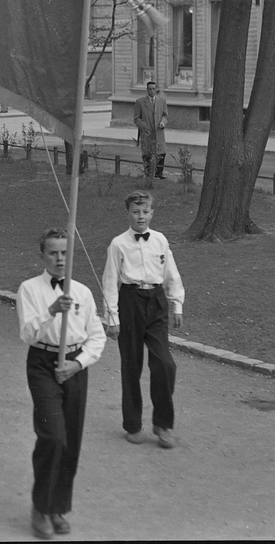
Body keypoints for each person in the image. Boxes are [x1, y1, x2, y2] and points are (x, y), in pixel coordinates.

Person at [17, 229, 106, 539]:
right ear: (43, 255)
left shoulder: (82, 292)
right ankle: (40, 507)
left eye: (65, 253)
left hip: (75, 365)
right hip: (42, 363)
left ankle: (57, 506)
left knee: (71, 440)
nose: (59, 259)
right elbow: (27, 334)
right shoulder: (29, 289)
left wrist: (77, 363)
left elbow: (97, 336)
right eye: (53, 253)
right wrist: (52, 311)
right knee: (53, 436)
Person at [102, 190, 184, 449]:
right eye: (136, 212)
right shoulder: (118, 244)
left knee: (165, 364)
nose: (141, 216)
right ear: (128, 214)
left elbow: (171, 273)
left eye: (145, 211)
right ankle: (133, 424)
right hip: (130, 302)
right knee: (132, 365)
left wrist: (177, 303)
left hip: (156, 302)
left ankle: (163, 423)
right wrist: (111, 318)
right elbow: (110, 282)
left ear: (152, 213)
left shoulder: (160, 240)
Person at [133, 81, 168, 180]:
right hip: (147, 132)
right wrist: (143, 126)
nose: (152, 91)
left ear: (156, 90)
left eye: (153, 89)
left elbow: (165, 115)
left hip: (158, 131)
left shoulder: (162, 101)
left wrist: (163, 122)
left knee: (161, 152)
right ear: (147, 90)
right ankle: (148, 173)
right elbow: (136, 118)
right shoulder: (140, 102)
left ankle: (159, 173)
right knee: (147, 153)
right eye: (150, 89)